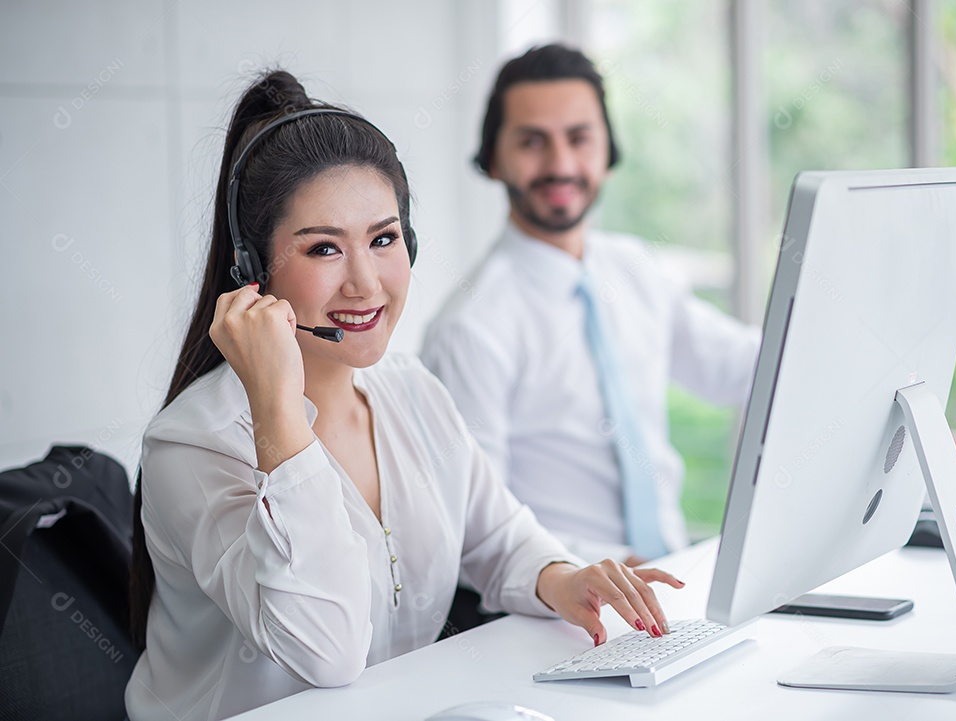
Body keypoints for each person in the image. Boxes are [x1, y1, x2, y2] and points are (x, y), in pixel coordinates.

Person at [125, 70, 683, 721]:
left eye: (384, 239)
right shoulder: (193, 445)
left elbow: (498, 536)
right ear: (252, 271)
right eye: (325, 248)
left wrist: (562, 577)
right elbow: (328, 651)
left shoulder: (411, 391)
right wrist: (278, 415)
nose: (365, 283)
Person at [421, 45, 761, 566]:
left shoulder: (634, 268)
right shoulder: (471, 327)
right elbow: (474, 527)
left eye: (579, 138)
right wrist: (595, 568)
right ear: (493, 158)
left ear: (608, 151)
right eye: (532, 142)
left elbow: (740, 369)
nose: (560, 165)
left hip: (672, 578)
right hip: (560, 609)